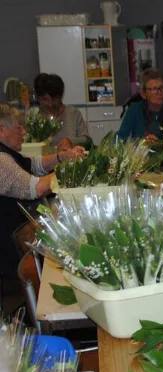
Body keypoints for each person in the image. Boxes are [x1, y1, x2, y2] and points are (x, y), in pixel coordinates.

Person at [0, 104, 84, 277]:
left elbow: (33, 164)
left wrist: (61, 157)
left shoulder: (7, 154)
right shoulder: (1, 161)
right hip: (15, 244)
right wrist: (68, 171)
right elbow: (35, 188)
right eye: (19, 127)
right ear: (2, 130)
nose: (24, 132)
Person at [33, 73, 91, 149]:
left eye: (54, 99)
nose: (50, 104)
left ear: (60, 97)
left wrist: (71, 142)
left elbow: (87, 141)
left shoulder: (73, 113)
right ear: (38, 98)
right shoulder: (34, 117)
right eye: (45, 99)